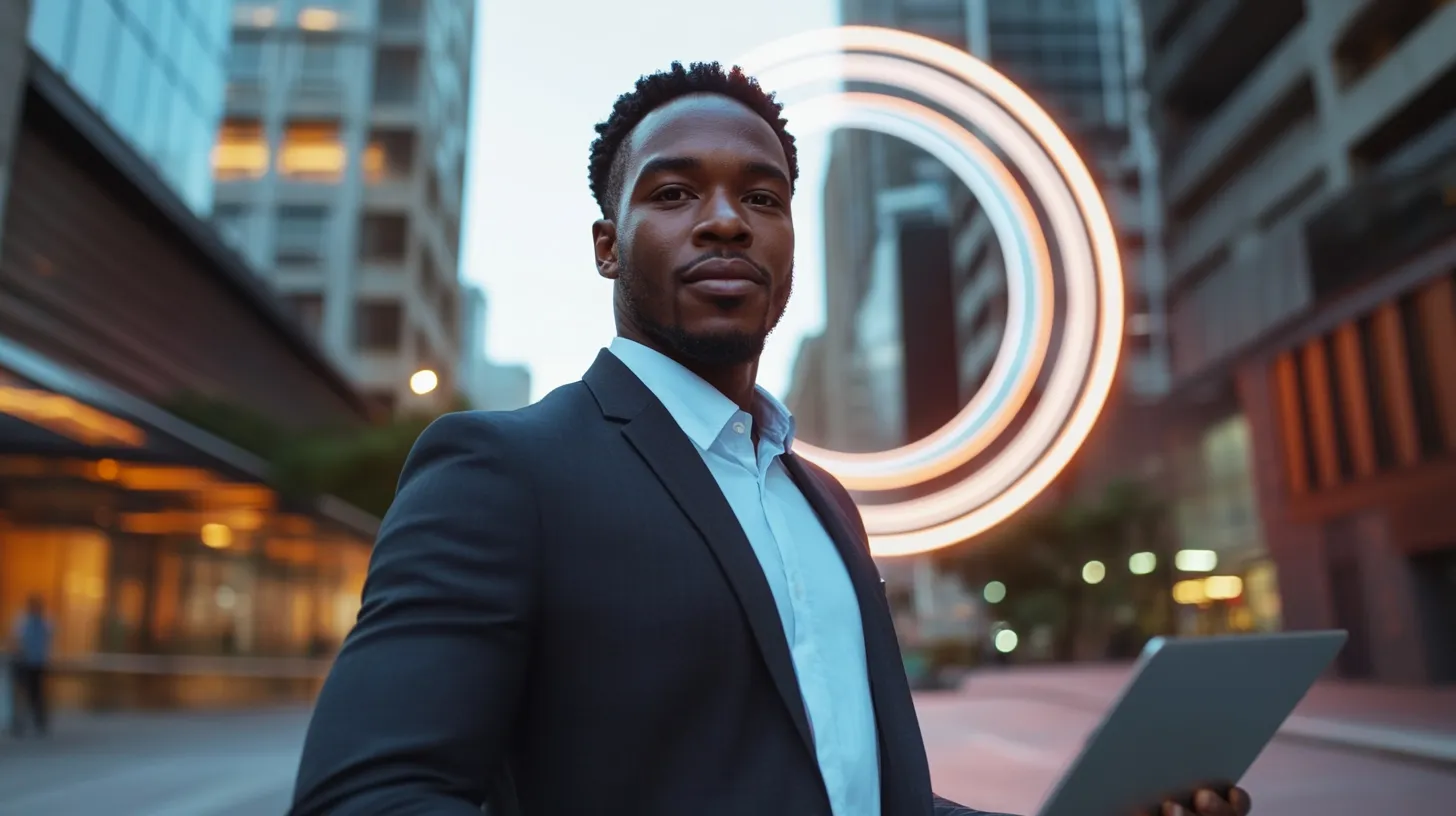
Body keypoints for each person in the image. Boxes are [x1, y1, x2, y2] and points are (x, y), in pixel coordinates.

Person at [291, 62, 1254, 816]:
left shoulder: (827, 504)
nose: (725, 223)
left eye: (762, 198)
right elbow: (365, 797)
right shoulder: (502, 472)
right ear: (607, 246)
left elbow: (866, 800)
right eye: (672, 195)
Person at [9, 595, 53, 737]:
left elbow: (47, 641)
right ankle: (20, 723)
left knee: (37, 694)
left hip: (37, 663)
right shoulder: (23, 622)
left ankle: (38, 721)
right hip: (25, 662)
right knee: (23, 694)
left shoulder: (45, 623)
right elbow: (16, 640)